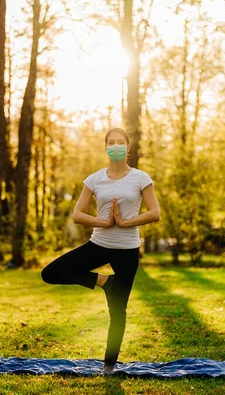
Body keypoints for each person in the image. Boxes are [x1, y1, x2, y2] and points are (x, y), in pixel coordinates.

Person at [41, 127, 161, 375]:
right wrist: (104, 222)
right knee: (51, 273)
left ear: (128, 148)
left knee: (118, 311)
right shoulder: (94, 179)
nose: (115, 146)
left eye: (120, 142)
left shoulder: (140, 178)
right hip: (99, 244)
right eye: (111, 142)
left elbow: (155, 213)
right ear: (105, 147)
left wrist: (125, 222)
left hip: (127, 249)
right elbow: (78, 214)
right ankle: (105, 281)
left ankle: (108, 365)